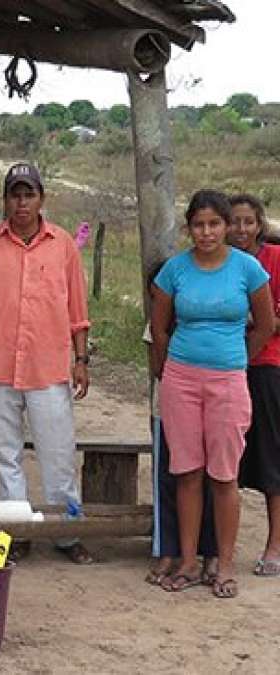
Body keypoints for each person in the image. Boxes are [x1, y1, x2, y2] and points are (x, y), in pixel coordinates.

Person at [0, 162, 93, 565]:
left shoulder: (63, 245)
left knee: (59, 455)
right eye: (14, 194)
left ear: (41, 199)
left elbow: (77, 311)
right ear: (5, 200)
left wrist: (81, 359)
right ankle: (15, 531)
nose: (21, 202)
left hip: (47, 368)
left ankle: (67, 533)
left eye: (28, 194)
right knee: (6, 456)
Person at [151, 190, 275, 598]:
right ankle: (188, 561)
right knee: (187, 473)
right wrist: (167, 371)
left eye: (214, 224)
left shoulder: (248, 269)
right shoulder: (175, 269)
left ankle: (224, 565)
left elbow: (265, 324)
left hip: (228, 382)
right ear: (190, 228)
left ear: (226, 226)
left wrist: (237, 360)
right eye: (199, 225)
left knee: (224, 476)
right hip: (182, 380)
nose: (207, 233)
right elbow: (160, 328)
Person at [142, 280, 218, 587]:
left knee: (215, 479)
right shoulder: (159, 325)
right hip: (170, 407)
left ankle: (211, 552)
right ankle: (168, 551)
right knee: (168, 479)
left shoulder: (213, 320)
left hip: (212, 403)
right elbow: (157, 367)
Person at [227, 193, 280, 578]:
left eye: (248, 221)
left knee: (271, 456)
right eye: (233, 221)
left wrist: (257, 325)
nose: (241, 229)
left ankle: (275, 544)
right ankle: (218, 547)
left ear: (260, 225)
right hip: (221, 367)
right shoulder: (217, 261)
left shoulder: (274, 259)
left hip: (266, 366)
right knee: (223, 462)